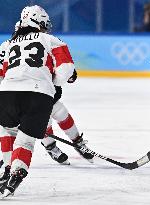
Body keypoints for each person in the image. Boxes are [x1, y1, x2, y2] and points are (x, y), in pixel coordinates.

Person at [0, 5, 75, 197]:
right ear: (38, 22)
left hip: (7, 93)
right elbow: (66, 69)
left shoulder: (10, 44)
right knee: (26, 141)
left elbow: (3, 73)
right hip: (38, 94)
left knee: (7, 130)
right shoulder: (51, 40)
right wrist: (52, 82)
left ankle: (7, 170)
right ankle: (17, 170)